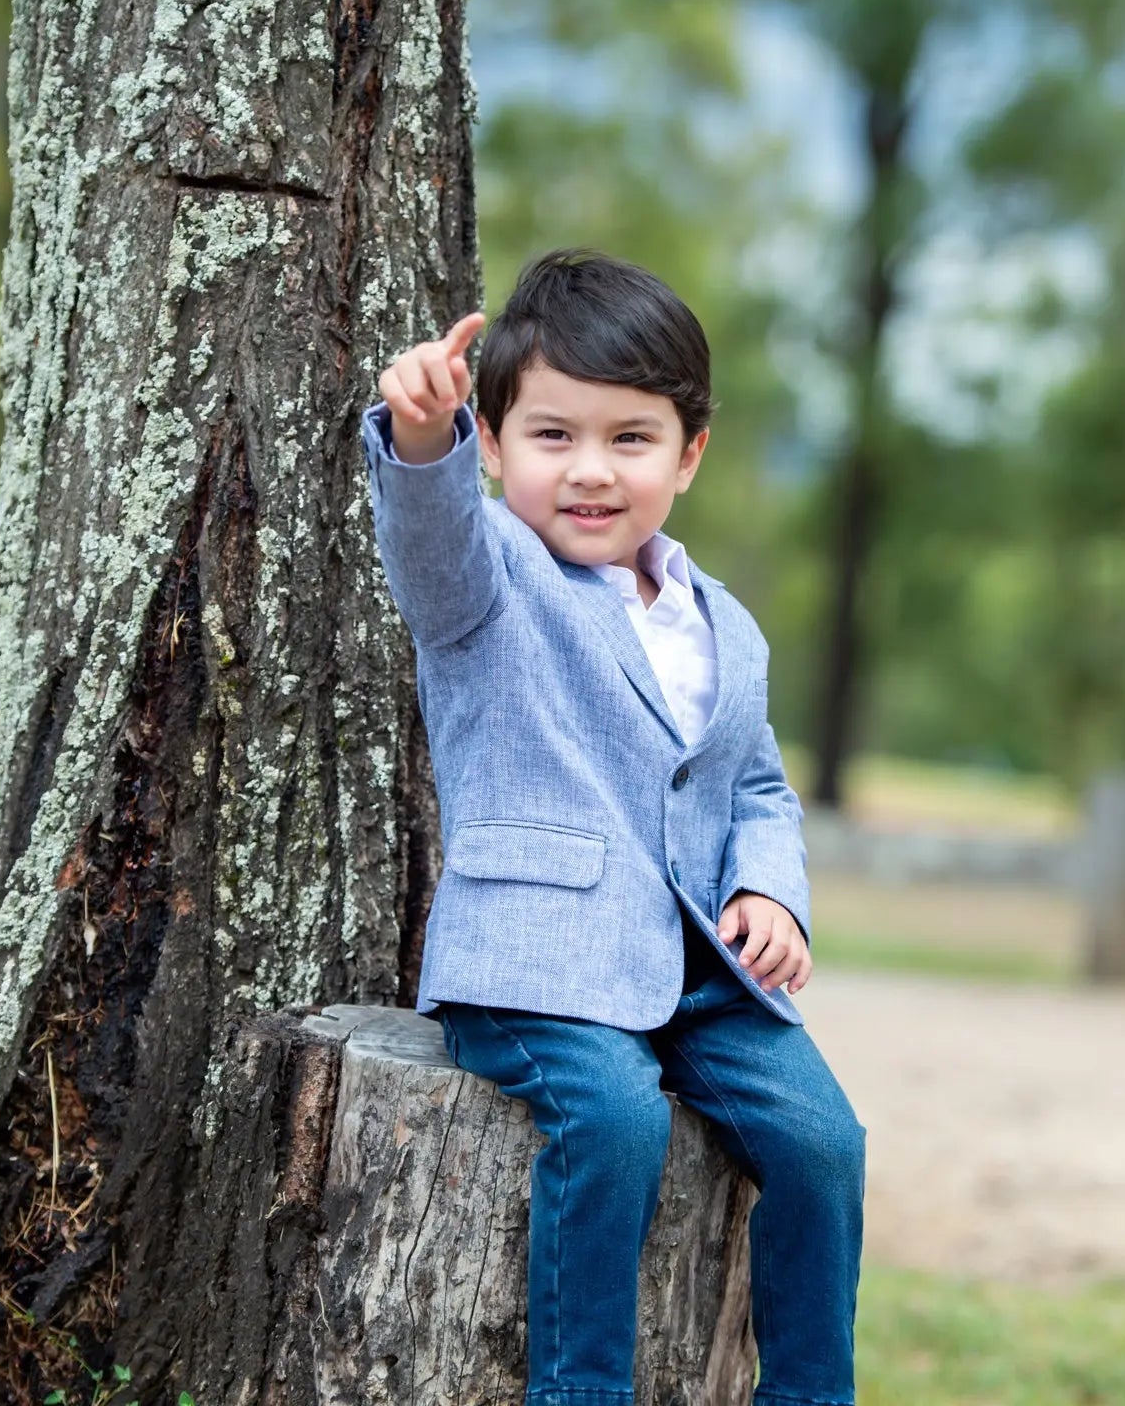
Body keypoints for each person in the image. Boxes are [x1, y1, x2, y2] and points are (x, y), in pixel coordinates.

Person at [359, 247, 865, 1406]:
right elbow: (429, 547)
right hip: (537, 970)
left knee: (824, 1144)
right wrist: (421, 437)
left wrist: (770, 892)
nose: (589, 472)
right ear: (495, 447)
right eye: (552, 436)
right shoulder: (491, 581)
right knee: (617, 1123)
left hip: (701, 969)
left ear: (688, 455)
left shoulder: (721, 623)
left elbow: (755, 789)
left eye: (630, 439)